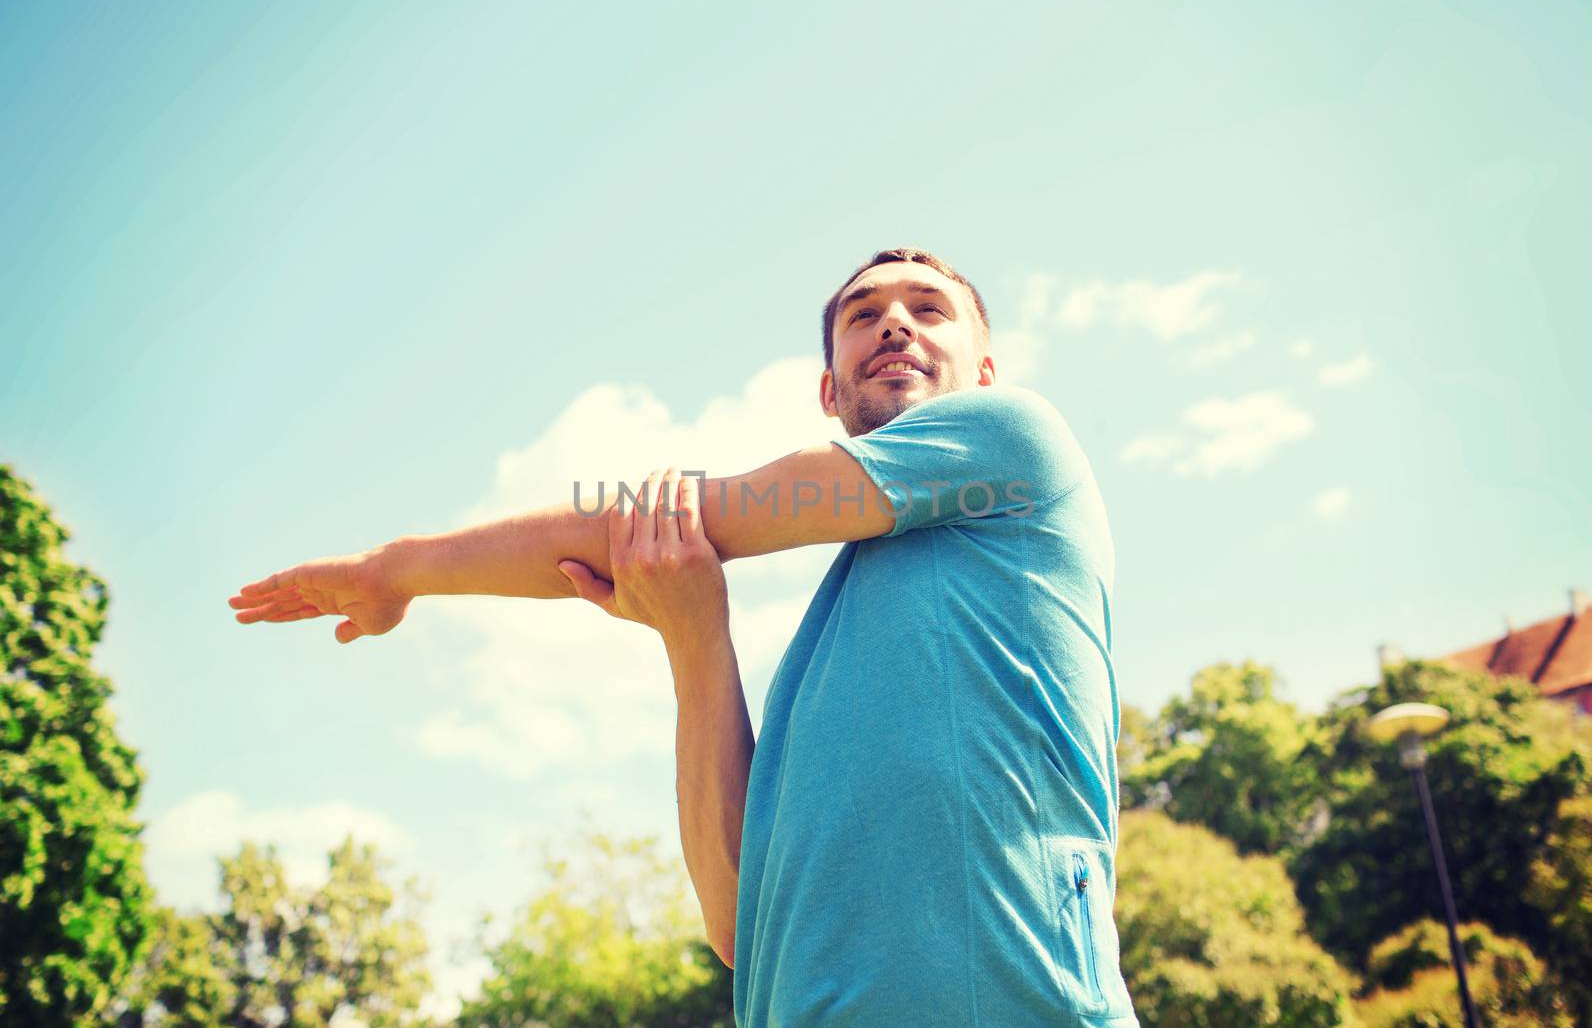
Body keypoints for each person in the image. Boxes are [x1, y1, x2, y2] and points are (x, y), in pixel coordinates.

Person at [228, 247, 1139, 1027]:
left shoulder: (1014, 441)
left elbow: (653, 524)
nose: (894, 322)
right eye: (864, 314)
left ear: (985, 373)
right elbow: (739, 928)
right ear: (829, 389)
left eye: (927, 308)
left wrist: (400, 569)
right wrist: (697, 638)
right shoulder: (815, 672)